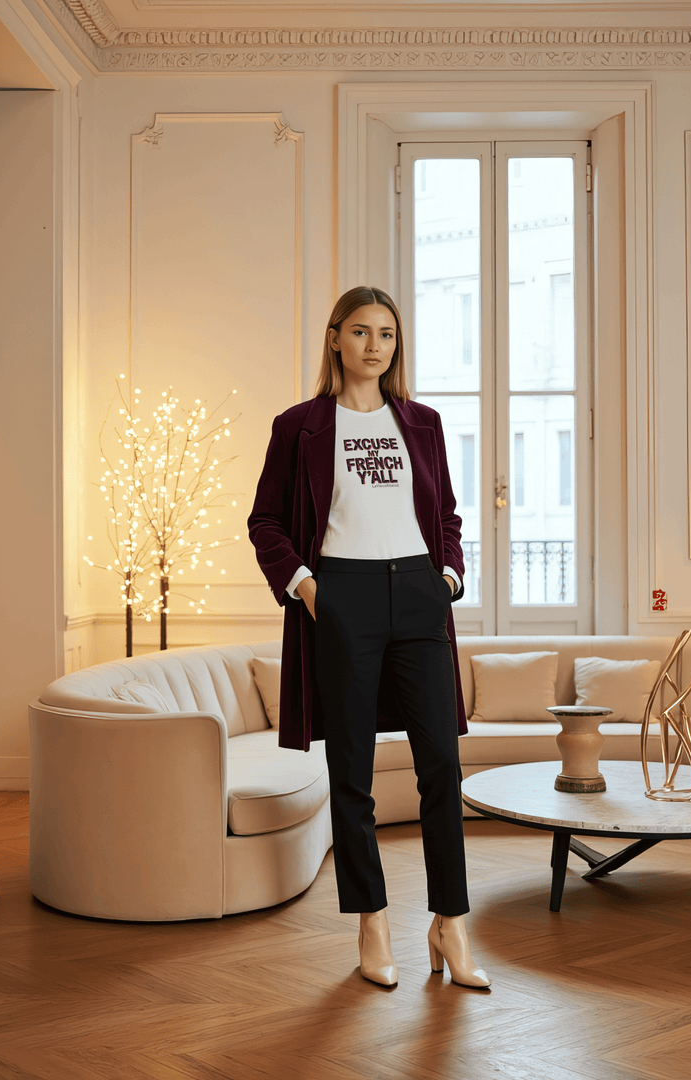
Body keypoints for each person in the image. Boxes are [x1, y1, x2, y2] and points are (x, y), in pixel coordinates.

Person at [248, 285, 489, 989]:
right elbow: (266, 522)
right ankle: (372, 922)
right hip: (341, 594)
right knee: (352, 772)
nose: (374, 345)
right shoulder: (298, 427)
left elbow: (445, 511)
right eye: (360, 331)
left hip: (419, 595)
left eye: (386, 333)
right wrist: (309, 588)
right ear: (334, 340)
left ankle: (451, 924)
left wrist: (446, 574)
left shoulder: (423, 423)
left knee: (441, 765)